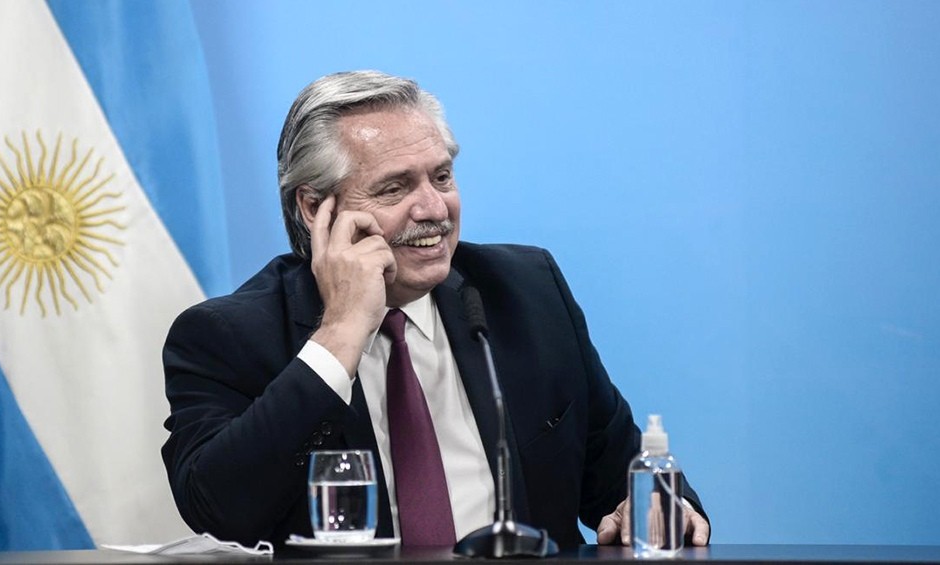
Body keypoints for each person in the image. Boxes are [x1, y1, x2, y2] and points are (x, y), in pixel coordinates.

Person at [161, 70, 710, 549]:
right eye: (394, 188)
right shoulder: (228, 336)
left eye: (442, 177)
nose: (433, 208)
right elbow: (219, 510)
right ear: (313, 208)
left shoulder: (527, 293)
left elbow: (623, 475)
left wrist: (662, 510)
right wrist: (341, 333)